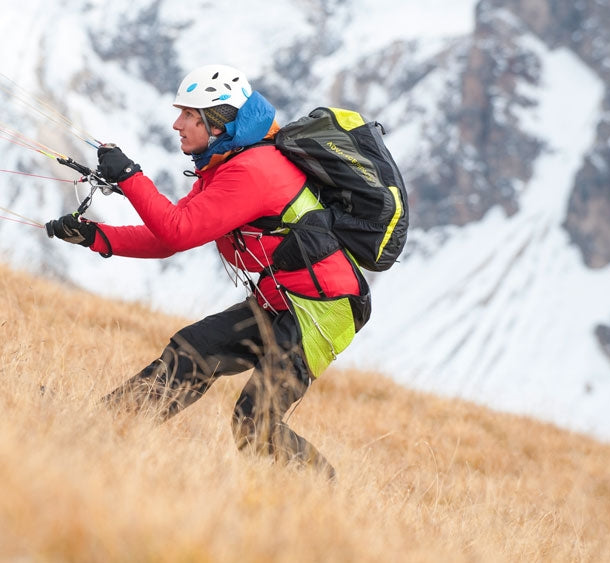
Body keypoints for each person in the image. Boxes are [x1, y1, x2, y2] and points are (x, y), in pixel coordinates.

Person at [46, 64, 371, 478]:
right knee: (191, 352)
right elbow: (170, 234)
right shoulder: (227, 163)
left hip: (324, 307)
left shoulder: (253, 171)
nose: (176, 123)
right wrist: (98, 238)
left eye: (189, 115)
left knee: (254, 423)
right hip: (283, 299)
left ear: (218, 123)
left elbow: (178, 231)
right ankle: (95, 436)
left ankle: (327, 498)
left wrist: (131, 178)